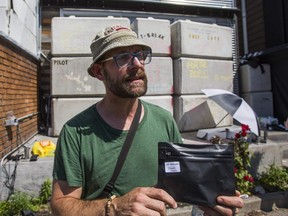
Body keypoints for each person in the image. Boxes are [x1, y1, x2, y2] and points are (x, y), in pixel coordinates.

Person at [51, 25, 244, 216]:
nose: (137, 63)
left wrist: (212, 201)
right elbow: (61, 205)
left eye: (139, 54)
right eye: (123, 57)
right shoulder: (75, 132)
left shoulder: (164, 121)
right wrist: (115, 207)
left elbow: (184, 184)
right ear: (99, 72)